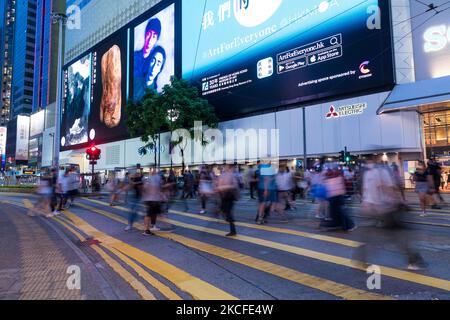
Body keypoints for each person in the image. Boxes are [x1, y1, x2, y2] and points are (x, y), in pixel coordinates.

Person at [353, 156, 427, 271]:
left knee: (373, 236)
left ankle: (360, 257)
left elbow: (364, 191)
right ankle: (414, 260)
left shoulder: (367, 174)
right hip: (384, 208)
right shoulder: (382, 171)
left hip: (370, 208)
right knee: (397, 235)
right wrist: (400, 201)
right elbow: (387, 187)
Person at [133, 18, 162, 96]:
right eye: (149, 33)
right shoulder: (134, 57)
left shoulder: (154, 62)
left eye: (154, 36)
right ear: (145, 34)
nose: (150, 39)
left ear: (157, 39)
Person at [216, 164, 239, 237]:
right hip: (228, 196)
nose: (223, 167)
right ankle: (229, 220)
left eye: (225, 166)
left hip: (227, 196)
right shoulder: (230, 174)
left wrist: (222, 187)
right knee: (225, 210)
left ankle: (233, 230)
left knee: (227, 212)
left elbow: (233, 186)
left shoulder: (228, 175)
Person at [142, 169, 164, 236]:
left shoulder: (149, 178)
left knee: (150, 214)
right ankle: (146, 230)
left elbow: (145, 188)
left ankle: (149, 228)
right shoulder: (155, 178)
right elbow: (155, 188)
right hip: (152, 199)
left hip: (149, 199)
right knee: (149, 215)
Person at [256, 161, 277, 225]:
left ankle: (261, 217)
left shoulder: (260, 169)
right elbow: (266, 179)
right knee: (264, 204)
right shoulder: (267, 169)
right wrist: (266, 189)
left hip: (263, 188)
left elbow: (260, 178)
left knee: (263, 204)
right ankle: (260, 218)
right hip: (267, 189)